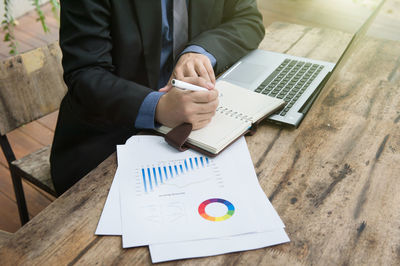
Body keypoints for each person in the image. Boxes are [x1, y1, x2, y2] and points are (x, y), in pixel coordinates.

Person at [50, 0, 265, 195]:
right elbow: (85, 73)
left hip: (196, 128)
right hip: (109, 136)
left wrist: (200, 51)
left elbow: (248, 19)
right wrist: (158, 107)